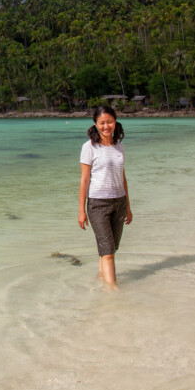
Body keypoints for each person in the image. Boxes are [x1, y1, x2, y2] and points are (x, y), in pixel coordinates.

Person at [78, 105, 133, 290]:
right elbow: (84, 180)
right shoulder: (89, 147)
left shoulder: (119, 147)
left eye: (109, 122)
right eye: (102, 123)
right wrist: (81, 211)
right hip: (98, 204)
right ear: (95, 124)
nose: (106, 126)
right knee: (108, 251)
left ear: (115, 122)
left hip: (119, 202)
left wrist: (128, 207)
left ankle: (101, 278)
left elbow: (122, 177)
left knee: (110, 249)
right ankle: (113, 290)